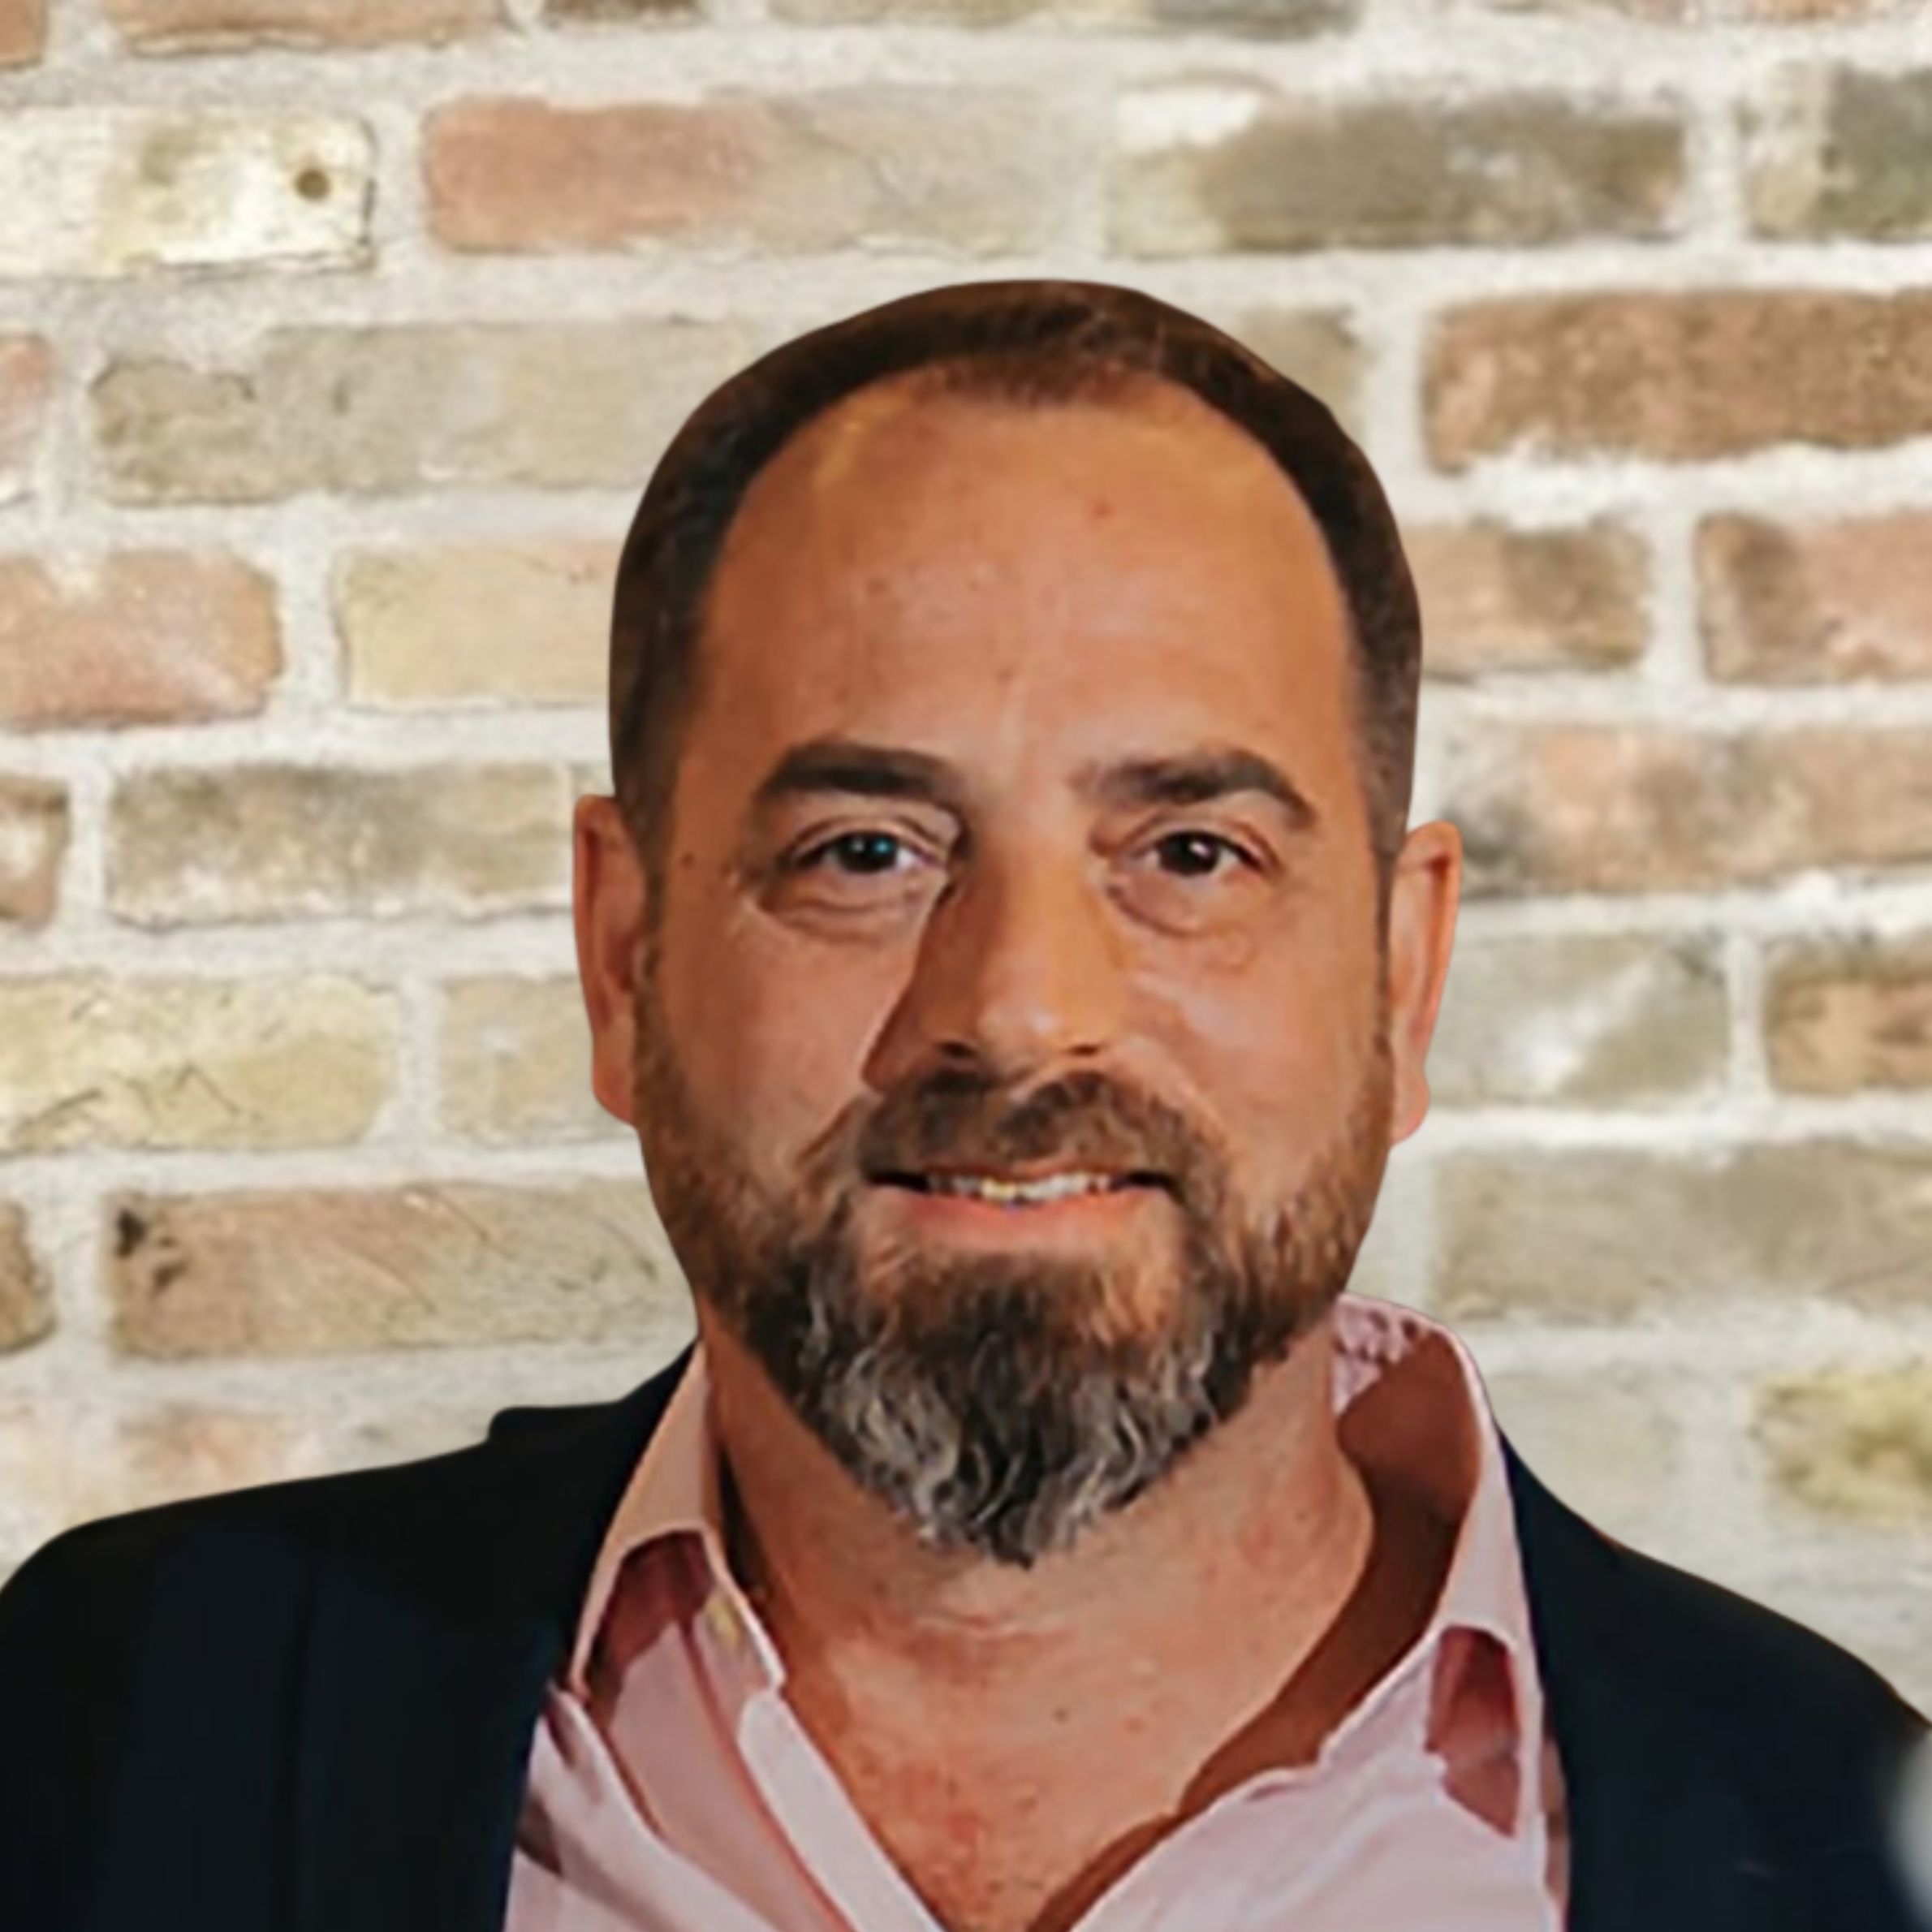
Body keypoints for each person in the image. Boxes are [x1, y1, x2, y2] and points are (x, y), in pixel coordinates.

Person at [0, 278, 1926, 1932]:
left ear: (1400, 976)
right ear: (623, 953)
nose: (1017, 1008)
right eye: (863, 848)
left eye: (1187, 850)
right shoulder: (117, 1733)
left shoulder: (1850, 1848)